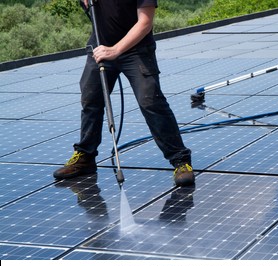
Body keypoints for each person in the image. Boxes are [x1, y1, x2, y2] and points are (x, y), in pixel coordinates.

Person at [53, 0, 194, 187]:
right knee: (91, 99)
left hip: (136, 50)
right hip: (100, 47)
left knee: (150, 101)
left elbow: (145, 22)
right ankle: (85, 157)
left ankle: (180, 160)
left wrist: (115, 50)